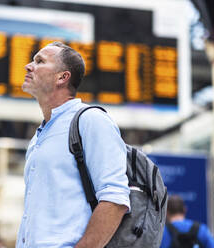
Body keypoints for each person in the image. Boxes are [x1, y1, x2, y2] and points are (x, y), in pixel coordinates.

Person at [16, 41, 130, 248]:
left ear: (62, 77)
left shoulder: (91, 121)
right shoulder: (38, 138)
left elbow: (115, 199)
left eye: (40, 61)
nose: (28, 66)